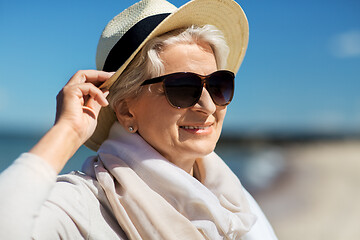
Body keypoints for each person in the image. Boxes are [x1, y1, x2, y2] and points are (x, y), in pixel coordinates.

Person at [0, 0, 278, 239]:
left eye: (218, 85)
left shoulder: (233, 202)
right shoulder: (86, 204)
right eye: (183, 88)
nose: (207, 106)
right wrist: (68, 132)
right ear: (126, 110)